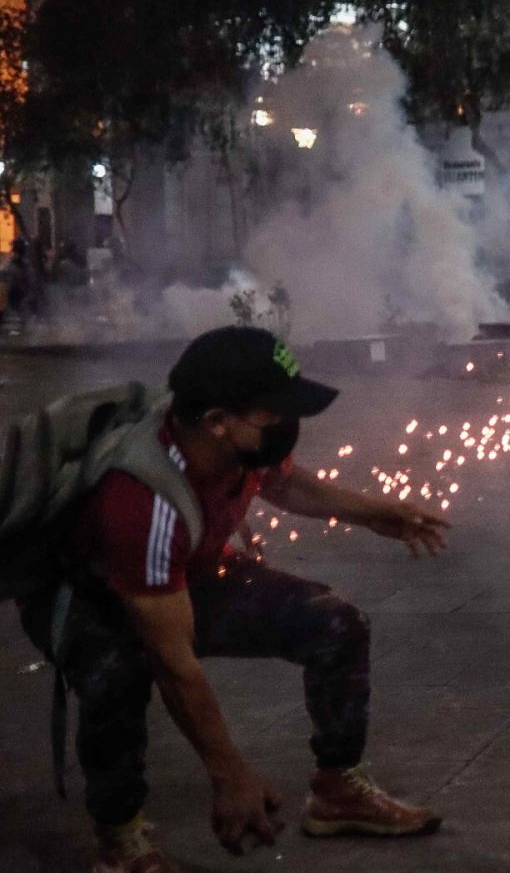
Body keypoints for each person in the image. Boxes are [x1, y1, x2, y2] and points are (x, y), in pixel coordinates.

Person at [16, 326, 452, 871]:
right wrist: (230, 776)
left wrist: (373, 511)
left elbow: (285, 485)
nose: (287, 425)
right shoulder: (143, 501)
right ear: (217, 422)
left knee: (334, 622)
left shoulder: (239, 446)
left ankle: (338, 789)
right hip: (91, 595)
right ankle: (120, 835)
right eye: (273, 414)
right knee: (118, 676)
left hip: (187, 570)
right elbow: (176, 667)